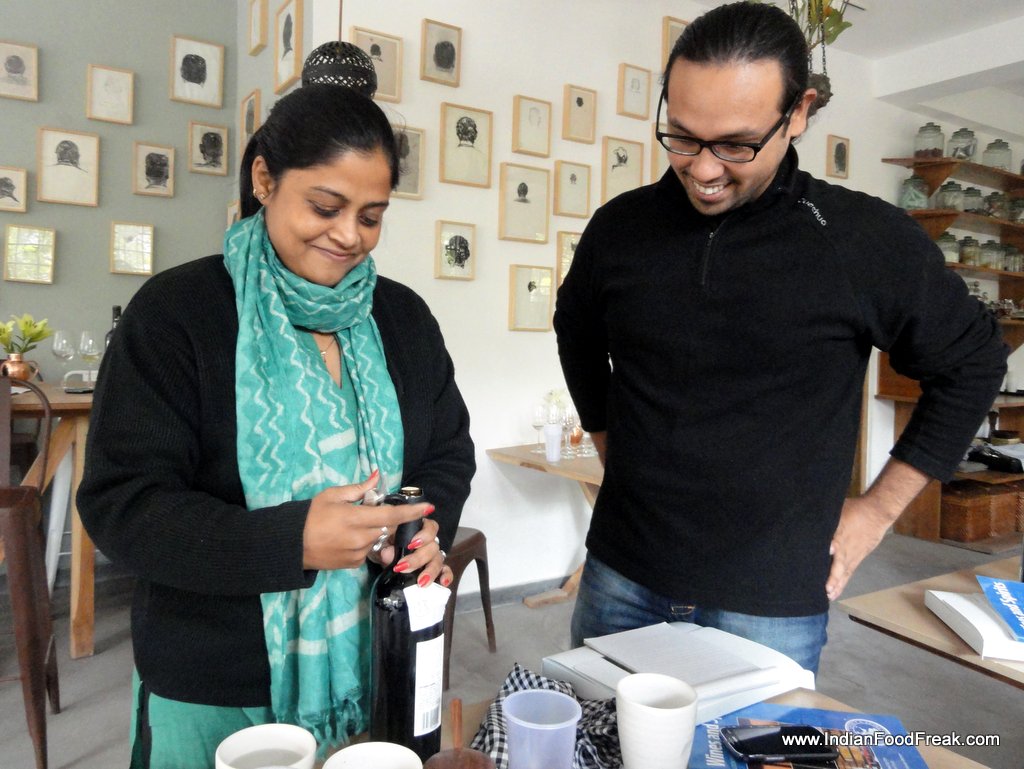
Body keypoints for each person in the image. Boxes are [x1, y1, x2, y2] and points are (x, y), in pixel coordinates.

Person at [553, 1, 1007, 674]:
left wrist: (876, 512)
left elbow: (973, 362)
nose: (704, 170)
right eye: (682, 137)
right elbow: (576, 327)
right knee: (599, 730)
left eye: (736, 145)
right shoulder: (620, 228)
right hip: (620, 572)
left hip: (769, 602)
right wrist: (606, 439)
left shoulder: (860, 239)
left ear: (798, 113)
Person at [77, 84, 475, 768]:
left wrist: (421, 527)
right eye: (325, 206)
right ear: (264, 179)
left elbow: (448, 452)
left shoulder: (403, 318)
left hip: (377, 660)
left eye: (371, 216)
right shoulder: (177, 314)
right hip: (216, 680)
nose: (349, 235)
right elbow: (123, 505)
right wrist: (291, 541)